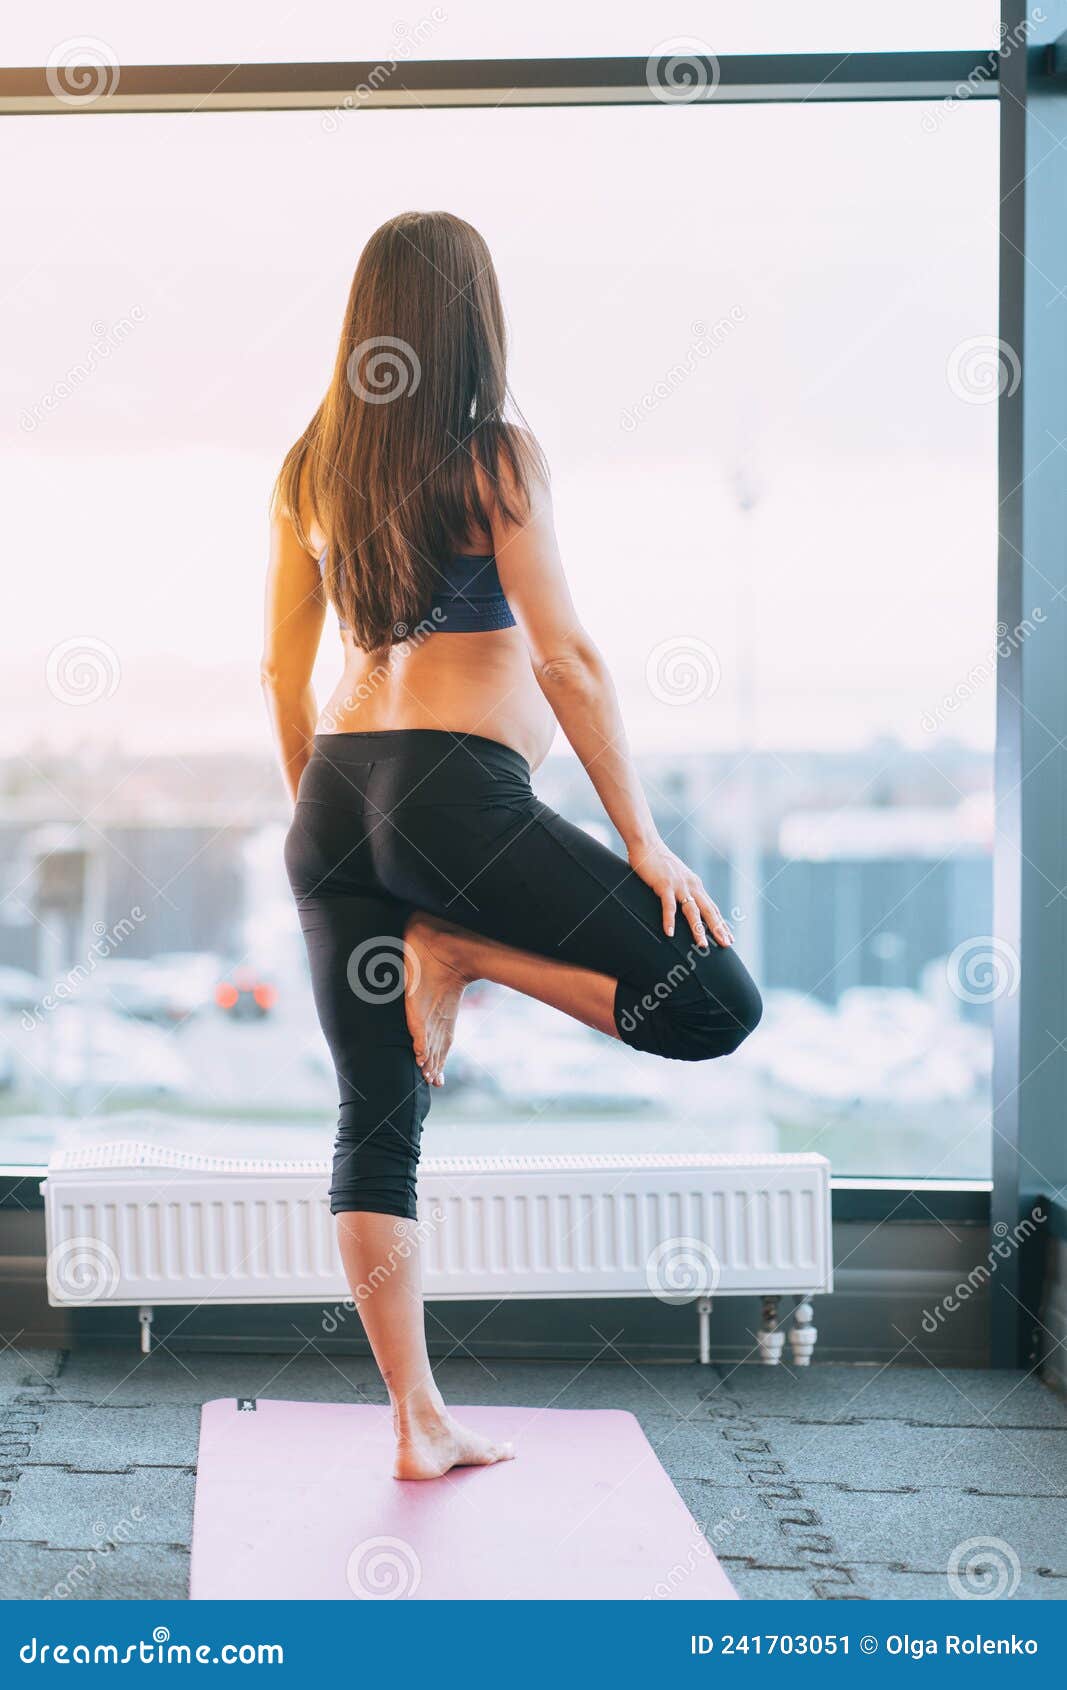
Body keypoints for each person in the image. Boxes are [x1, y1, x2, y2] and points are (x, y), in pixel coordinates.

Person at [262, 210, 762, 1480]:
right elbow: (565, 656)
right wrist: (643, 839)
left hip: (332, 795)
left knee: (377, 1118)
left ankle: (416, 1424)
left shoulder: (310, 465)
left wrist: (329, 838)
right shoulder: (493, 460)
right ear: (471, 318)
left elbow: (280, 666)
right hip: (451, 794)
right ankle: (468, 951)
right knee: (709, 999)